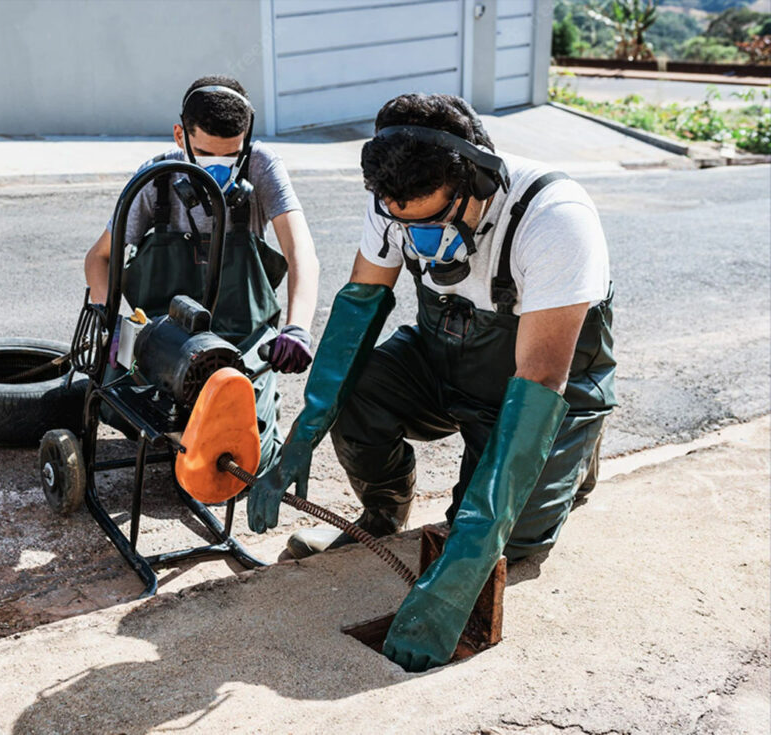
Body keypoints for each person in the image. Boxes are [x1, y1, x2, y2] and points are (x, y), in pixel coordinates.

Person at [247, 93, 616, 671]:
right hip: (444, 355)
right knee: (355, 391)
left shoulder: (554, 218)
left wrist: (456, 579)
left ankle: (573, 453)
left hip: (537, 388)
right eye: (400, 221)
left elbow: (540, 376)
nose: (416, 239)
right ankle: (383, 509)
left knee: (505, 544)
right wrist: (304, 433)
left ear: (478, 181)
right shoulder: (395, 200)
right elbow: (357, 313)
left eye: (433, 222)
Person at [84, 75, 319, 471]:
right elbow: (98, 258)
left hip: (238, 341)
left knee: (246, 460)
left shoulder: (261, 165)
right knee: (122, 408)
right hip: (166, 341)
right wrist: (111, 323)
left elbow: (302, 254)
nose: (221, 169)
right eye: (208, 156)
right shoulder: (155, 179)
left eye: (232, 157)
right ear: (181, 135)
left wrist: (297, 328)